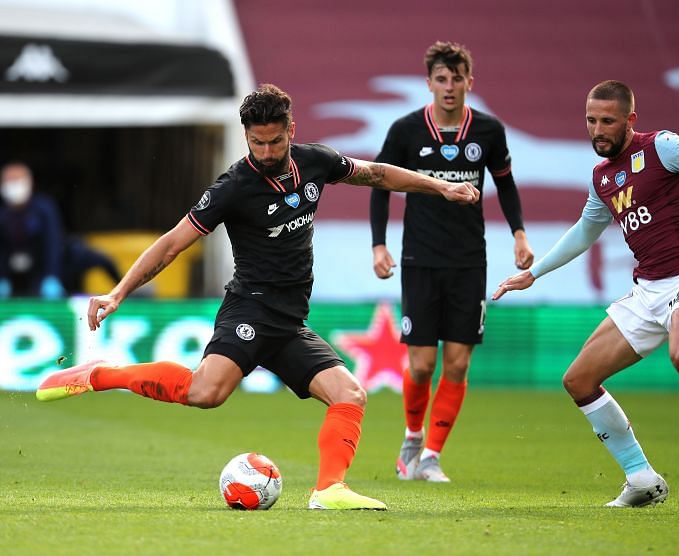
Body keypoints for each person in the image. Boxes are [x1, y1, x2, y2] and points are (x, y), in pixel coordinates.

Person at [36, 84, 480, 511]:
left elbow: (377, 173)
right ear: (246, 136)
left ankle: (329, 489)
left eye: (274, 142)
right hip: (249, 306)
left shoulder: (316, 161)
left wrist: (439, 187)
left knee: (350, 394)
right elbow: (173, 242)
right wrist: (118, 293)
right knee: (205, 393)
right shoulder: (233, 187)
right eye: (256, 143)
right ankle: (100, 374)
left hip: (289, 322)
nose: (265, 153)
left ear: (291, 129)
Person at [493, 80, 679, 507]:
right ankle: (641, 477)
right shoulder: (602, 178)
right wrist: (535, 273)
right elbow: (586, 230)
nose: (596, 130)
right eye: (590, 120)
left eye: (607, 121)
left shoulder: (665, 147)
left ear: (630, 120)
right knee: (578, 380)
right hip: (646, 291)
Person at [370, 41, 533, 483]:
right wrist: (378, 245)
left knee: (458, 362)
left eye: (456, 78)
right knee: (422, 365)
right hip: (420, 259)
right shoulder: (406, 130)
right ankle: (412, 436)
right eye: (441, 79)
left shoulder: (488, 131)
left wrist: (519, 233)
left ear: (468, 83)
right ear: (429, 84)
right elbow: (380, 184)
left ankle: (432, 457)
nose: (449, 86)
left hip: (468, 261)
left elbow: (507, 184)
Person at [0, 162, 65, 299]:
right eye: (9, 182)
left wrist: (52, 276)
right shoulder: (3, 214)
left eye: (17, 181)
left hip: (40, 274)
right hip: (9, 276)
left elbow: (53, 244)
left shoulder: (44, 209)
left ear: (29, 182)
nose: (13, 186)